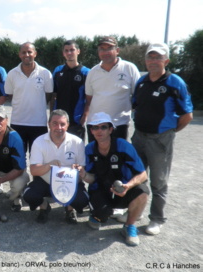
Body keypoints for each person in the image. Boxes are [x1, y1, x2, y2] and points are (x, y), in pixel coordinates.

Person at [132, 43, 193, 235]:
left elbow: (187, 115)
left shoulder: (175, 83)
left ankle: (157, 219)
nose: (153, 61)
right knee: (137, 177)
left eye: (158, 57)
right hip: (139, 137)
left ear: (166, 61)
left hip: (160, 140)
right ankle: (137, 211)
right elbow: (136, 106)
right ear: (146, 60)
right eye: (150, 57)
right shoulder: (141, 82)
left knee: (158, 182)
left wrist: (169, 132)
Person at [83, 112, 149, 246]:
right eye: (95, 127)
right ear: (91, 131)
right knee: (99, 218)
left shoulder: (123, 146)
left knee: (143, 191)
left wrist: (128, 186)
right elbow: (90, 177)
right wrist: (81, 173)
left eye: (103, 127)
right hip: (101, 191)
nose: (99, 131)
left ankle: (129, 226)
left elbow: (143, 175)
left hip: (123, 190)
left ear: (111, 129)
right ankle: (99, 213)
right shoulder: (89, 149)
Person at [23, 109, 89, 224]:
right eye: (55, 123)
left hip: (70, 183)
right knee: (29, 195)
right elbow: (33, 170)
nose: (59, 127)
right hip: (46, 182)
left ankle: (69, 208)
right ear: (49, 125)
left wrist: (77, 171)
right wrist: (49, 165)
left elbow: (82, 170)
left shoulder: (77, 142)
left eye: (62, 124)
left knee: (83, 200)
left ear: (67, 125)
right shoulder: (39, 141)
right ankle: (44, 206)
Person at [82, 36, 140, 142]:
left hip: (119, 124)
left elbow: (138, 97)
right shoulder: (93, 72)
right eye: (102, 49)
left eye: (109, 48)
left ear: (117, 50)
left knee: (118, 157)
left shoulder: (129, 68)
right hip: (95, 125)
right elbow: (89, 99)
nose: (105, 52)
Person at [5, 42, 53, 153]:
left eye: (29, 52)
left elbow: (49, 95)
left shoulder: (45, 73)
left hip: (39, 123)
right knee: (18, 156)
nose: (27, 54)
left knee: (38, 156)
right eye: (23, 52)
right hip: (17, 122)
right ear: (19, 54)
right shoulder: (12, 74)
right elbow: (10, 95)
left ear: (35, 53)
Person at [51, 40, 90, 140]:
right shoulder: (58, 71)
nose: (69, 53)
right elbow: (53, 94)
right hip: (59, 120)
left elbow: (89, 97)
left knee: (76, 151)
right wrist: (51, 114)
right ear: (63, 53)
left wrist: (85, 115)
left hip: (76, 119)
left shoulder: (86, 72)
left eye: (72, 50)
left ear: (78, 51)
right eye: (66, 50)